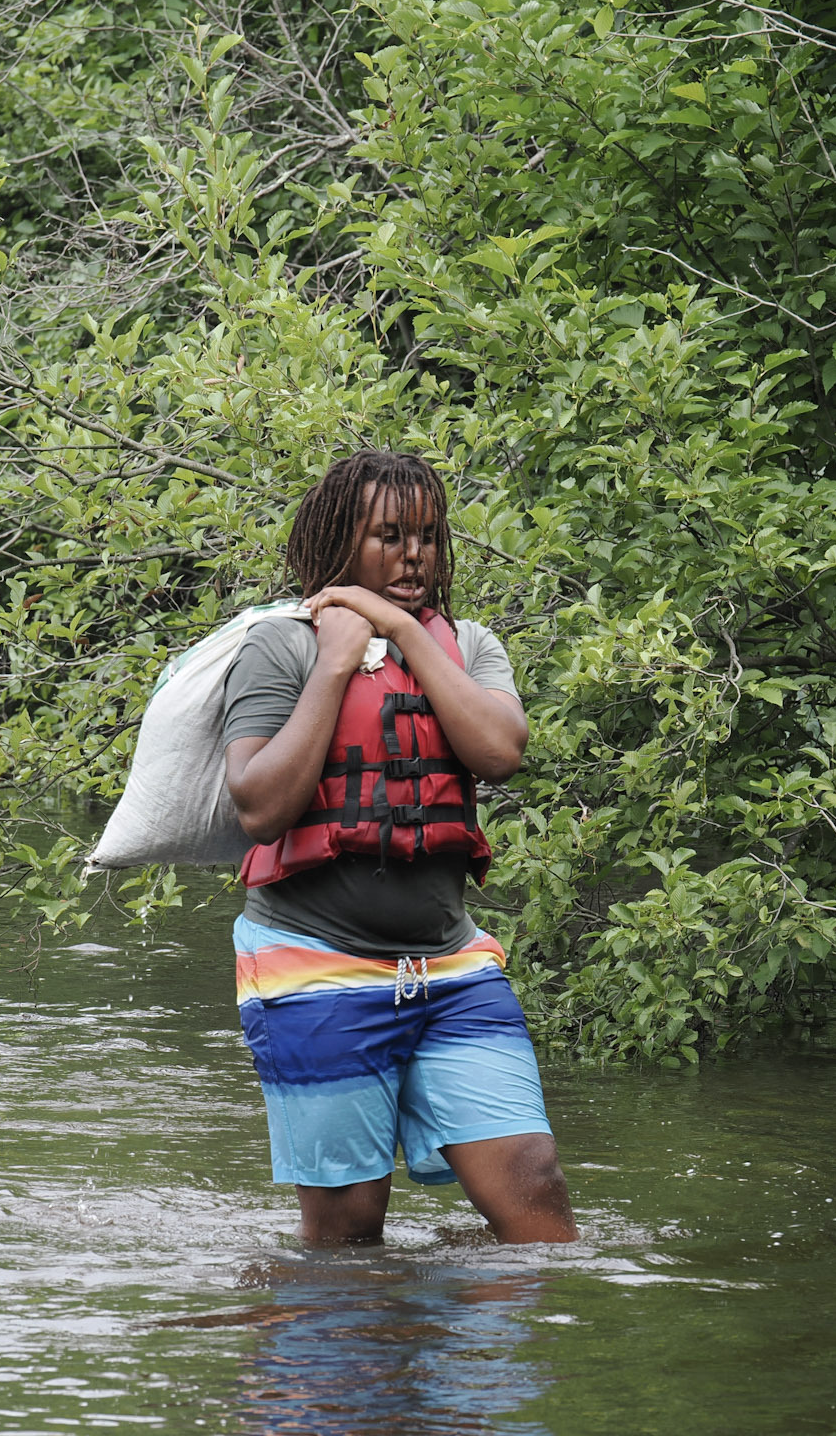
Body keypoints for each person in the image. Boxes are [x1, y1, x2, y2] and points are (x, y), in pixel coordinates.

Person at [221, 451, 576, 1246]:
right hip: (313, 967)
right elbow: (261, 806)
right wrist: (339, 659)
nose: (413, 555)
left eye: (427, 537)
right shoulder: (279, 649)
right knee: (348, 1241)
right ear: (341, 544)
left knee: (537, 1201)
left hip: (450, 967)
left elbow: (498, 753)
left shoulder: (471, 647)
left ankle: (480, 1358)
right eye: (388, 536)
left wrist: (408, 635)